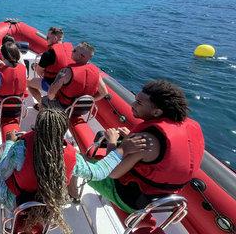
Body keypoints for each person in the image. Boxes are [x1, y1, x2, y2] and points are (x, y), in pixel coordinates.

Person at [0, 107, 147, 234]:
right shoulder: (73, 156)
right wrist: (121, 150)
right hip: (49, 208)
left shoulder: (20, 149)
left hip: (18, 202)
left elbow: (3, 173)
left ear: (37, 128)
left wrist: (10, 142)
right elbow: (100, 172)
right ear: (62, 132)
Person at [86, 80, 205, 213]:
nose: (132, 104)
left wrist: (112, 141)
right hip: (163, 201)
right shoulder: (191, 126)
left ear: (156, 113)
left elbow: (111, 172)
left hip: (132, 200)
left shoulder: (146, 140)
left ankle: (73, 194)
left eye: (139, 103)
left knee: (79, 161)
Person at [42, 41, 108, 110]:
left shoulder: (65, 72)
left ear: (79, 56)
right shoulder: (96, 72)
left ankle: (43, 119)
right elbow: (104, 93)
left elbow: (50, 93)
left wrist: (53, 98)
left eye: (74, 50)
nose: (72, 50)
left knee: (43, 101)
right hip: (82, 109)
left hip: (65, 107)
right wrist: (88, 101)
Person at [27, 27, 73, 110]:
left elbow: (39, 72)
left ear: (55, 39)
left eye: (47, 37)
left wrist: (37, 66)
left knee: (28, 82)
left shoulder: (48, 53)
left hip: (52, 84)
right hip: (68, 85)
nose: (46, 39)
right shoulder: (71, 50)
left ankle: (41, 102)